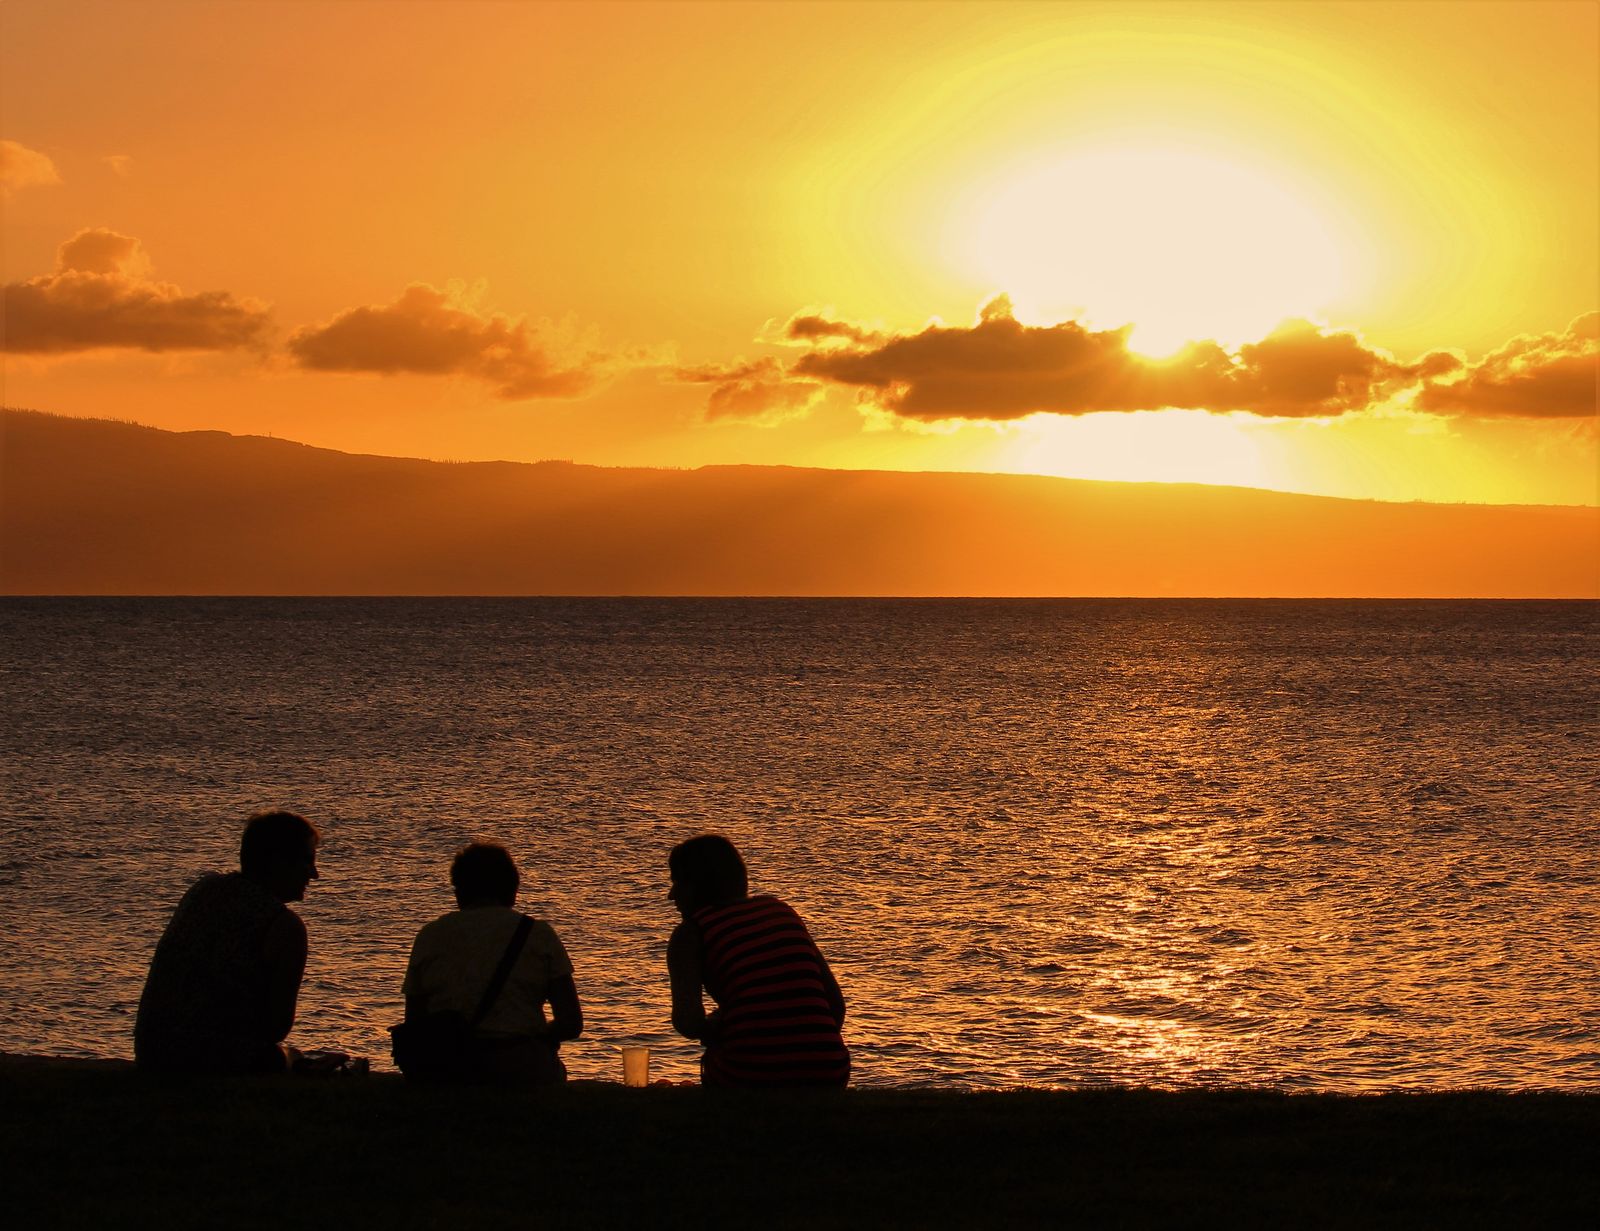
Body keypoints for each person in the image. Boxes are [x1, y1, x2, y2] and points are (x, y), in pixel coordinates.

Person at [135, 810, 320, 1074]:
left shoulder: (204, 890)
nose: (314, 874)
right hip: (211, 1061)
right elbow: (276, 1027)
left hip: (152, 1052)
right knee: (281, 1058)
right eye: (307, 860)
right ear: (278, 862)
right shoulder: (284, 927)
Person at [667, 834, 850, 1087]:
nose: (671, 895)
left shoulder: (691, 934)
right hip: (829, 1072)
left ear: (698, 886)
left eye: (678, 882)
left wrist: (718, 1028)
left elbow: (688, 1022)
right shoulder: (780, 912)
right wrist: (808, 1053)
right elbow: (836, 1005)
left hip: (746, 1073)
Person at [401, 842, 582, 1084]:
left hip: (449, 1069)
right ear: (513, 890)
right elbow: (571, 1023)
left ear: (459, 892)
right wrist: (538, 1036)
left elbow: (415, 1022)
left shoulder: (430, 935)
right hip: (521, 1068)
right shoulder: (538, 934)